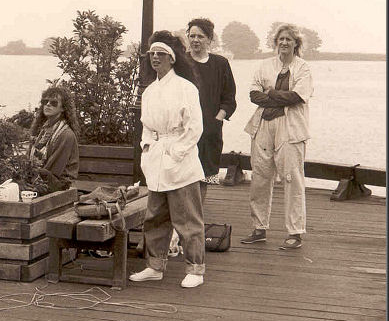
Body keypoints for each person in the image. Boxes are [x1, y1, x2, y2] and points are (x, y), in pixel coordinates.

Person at [129, 30, 206, 288]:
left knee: (187, 218)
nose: (155, 58)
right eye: (152, 54)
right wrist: (147, 148)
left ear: (172, 58)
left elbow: (194, 127)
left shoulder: (186, 88)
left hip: (179, 159)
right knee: (155, 217)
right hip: (156, 160)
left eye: (161, 54)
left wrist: (176, 152)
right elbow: (146, 126)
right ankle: (155, 266)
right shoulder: (150, 91)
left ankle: (195, 269)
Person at [241, 24, 313, 250]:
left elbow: (296, 97)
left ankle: (295, 232)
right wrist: (274, 97)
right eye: (281, 39)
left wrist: (270, 93)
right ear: (276, 42)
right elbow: (253, 94)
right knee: (261, 176)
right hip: (263, 124)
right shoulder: (265, 66)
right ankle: (259, 228)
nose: (284, 43)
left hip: (290, 127)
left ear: (296, 44)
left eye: (289, 40)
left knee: (292, 178)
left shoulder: (303, 69)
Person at [186, 18, 237, 200]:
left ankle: (198, 219)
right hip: (184, 131)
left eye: (200, 36)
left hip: (210, 131)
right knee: (183, 178)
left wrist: (218, 118)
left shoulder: (220, 64)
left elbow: (229, 97)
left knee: (204, 177)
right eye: (192, 36)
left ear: (209, 39)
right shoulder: (181, 63)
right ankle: (185, 221)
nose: (195, 40)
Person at [27, 86, 80, 193]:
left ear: (63, 108)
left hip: (58, 184)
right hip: (43, 178)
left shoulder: (65, 134)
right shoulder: (44, 129)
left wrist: (28, 178)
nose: (48, 104)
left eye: (54, 102)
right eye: (45, 101)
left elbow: (54, 169)